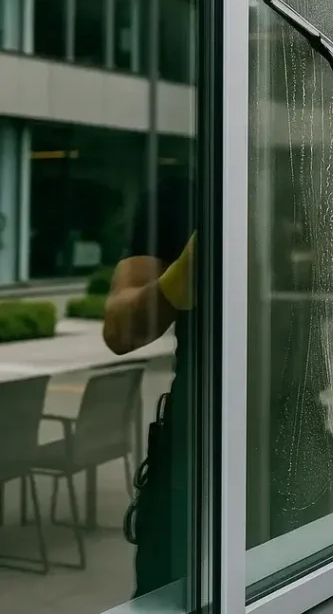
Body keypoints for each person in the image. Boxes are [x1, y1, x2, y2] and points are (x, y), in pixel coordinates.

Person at [102, 173, 195, 599]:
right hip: (197, 450)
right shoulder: (182, 190)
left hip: (305, 443)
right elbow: (118, 330)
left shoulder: (310, 179)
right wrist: (176, 283)